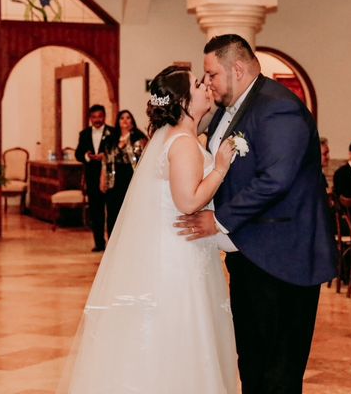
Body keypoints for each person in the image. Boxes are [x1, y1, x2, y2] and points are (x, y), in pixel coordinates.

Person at [60, 66, 239, 393]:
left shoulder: (178, 138)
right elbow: (187, 202)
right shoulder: (183, 142)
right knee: (183, 332)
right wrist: (222, 170)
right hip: (179, 256)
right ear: (184, 100)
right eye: (198, 84)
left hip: (178, 247)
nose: (206, 87)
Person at [176, 34, 336, 394]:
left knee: (279, 369)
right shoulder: (231, 111)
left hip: (285, 257)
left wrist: (217, 220)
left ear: (237, 68)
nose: (209, 84)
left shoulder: (279, 107)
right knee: (252, 359)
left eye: (213, 74)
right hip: (251, 252)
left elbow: (276, 179)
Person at [100, 109, 147, 235]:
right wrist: (103, 178)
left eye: (128, 117)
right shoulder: (111, 139)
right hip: (114, 178)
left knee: (130, 212)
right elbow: (105, 161)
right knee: (112, 212)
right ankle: (111, 244)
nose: (125, 120)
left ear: (132, 121)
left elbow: (145, 160)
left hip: (131, 177)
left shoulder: (139, 138)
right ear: (118, 121)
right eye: (122, 118)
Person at [74, 104, 114, 252]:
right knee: (96, 212)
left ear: (104, 117)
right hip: (92, 178)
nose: (97, 119)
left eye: (100, 116)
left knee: (111, 212)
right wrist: (87, 156)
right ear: (90, 118)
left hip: (110, 178)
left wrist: (106, 157)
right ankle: (99, 243)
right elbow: (78, 154)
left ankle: (112, 243)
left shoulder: (113, 132)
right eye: (94, 117)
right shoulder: (84, 134)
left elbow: (117, 152)